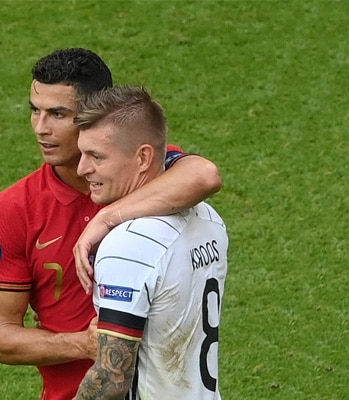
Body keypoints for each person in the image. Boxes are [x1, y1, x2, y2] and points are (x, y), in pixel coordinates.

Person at [0, 48, 222, 400]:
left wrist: (105, 218)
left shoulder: (142, 170)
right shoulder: (16, 207)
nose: (41, 128)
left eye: (58, 114)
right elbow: (2, 338)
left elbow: (204, 175)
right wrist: (84, 343)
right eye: (35, 111)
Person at [73, 85, 228, 400]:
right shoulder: (209, 219)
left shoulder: (127, 245)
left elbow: (110, 380)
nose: (82, 169)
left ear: (143, 157)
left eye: (97, 157)